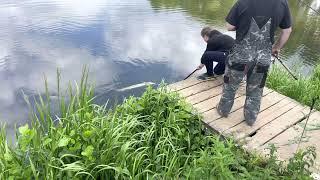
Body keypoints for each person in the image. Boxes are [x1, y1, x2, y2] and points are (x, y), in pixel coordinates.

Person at [217, 0, 292, 126]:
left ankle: (223, 110)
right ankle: (250, 118)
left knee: (230, 84)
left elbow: (229, 26)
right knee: (256, 89)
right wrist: (276, 48)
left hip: (240, 56)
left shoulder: (243, 1)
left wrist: (240, 24)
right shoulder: (282, 3)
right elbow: (287, 31)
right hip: (263, 58)